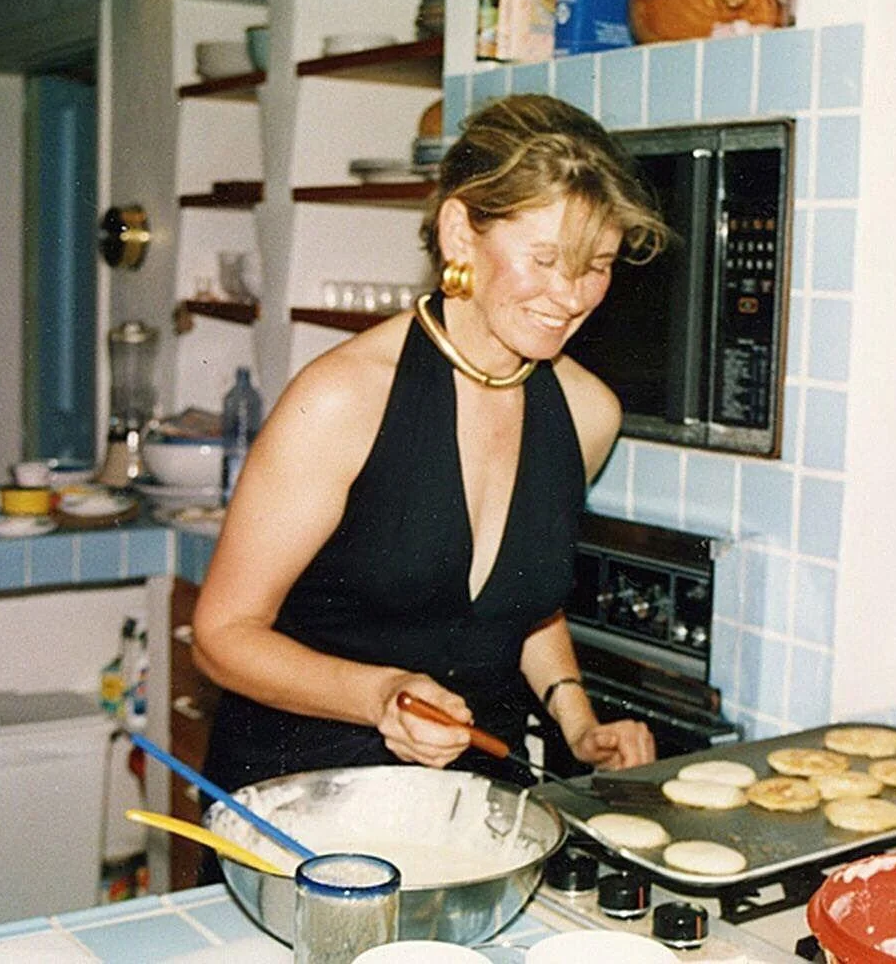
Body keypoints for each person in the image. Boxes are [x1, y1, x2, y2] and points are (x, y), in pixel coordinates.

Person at [192, 93, 666, 806]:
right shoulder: (342, 400)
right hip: (298, 802)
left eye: (594, 265)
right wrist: (379, 694)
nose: (569, 297)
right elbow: (222, 634)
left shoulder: (589, 412)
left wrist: (577, 718)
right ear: (459, 232)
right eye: (544, 259)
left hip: (474, 806)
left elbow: (512, 602)